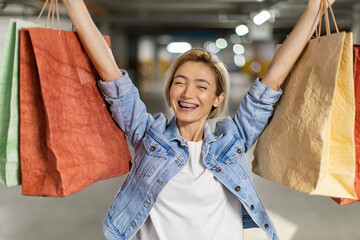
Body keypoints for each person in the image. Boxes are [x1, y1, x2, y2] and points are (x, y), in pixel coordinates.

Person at [62, 0, 335, 239]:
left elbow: (273, 78)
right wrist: (73, 3)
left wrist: (313, 8)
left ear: (217, 98)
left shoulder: (233, 141)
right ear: (170, 90)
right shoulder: (148, 135)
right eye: (180, 82)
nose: (188, 93)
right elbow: (112, 75)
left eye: (201, 86)